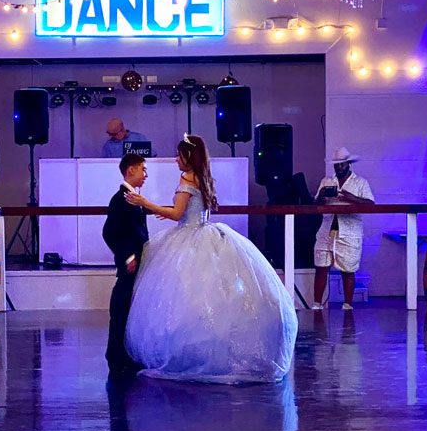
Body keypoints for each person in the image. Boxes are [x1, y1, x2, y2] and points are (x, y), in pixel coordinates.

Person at [124, 134, 298, 383]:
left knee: (183, 296)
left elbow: (176, 214)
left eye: (179, 154)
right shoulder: (203, 177)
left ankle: (187, 351)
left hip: (189, 237)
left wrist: (147, 204)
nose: (176, 159)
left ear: (188, 156)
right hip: (202, 232)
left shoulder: (187, 178)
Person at [102, 154, 149, 375]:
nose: (145, 175)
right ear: (130, 170)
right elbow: (110, 232)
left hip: (137, 261)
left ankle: (124, 354)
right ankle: (115, 355)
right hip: (129, 263)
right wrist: (128, 256)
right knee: (120, 307)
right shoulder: (120, 198)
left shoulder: (134, 198)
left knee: (129, 309)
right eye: (142, 169)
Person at [312, 146, 375, 311]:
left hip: (349, 231)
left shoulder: (360, 183)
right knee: (321, 267)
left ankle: (348, 305)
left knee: (348, 270)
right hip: (327, 229)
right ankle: (317, 305)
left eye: (342, 164)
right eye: (337, 164)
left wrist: (351, 198)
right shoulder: (327, 181)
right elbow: (316, 205)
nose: (339, 167)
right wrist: (321, 196)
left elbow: (370, 204)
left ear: (348, 164)